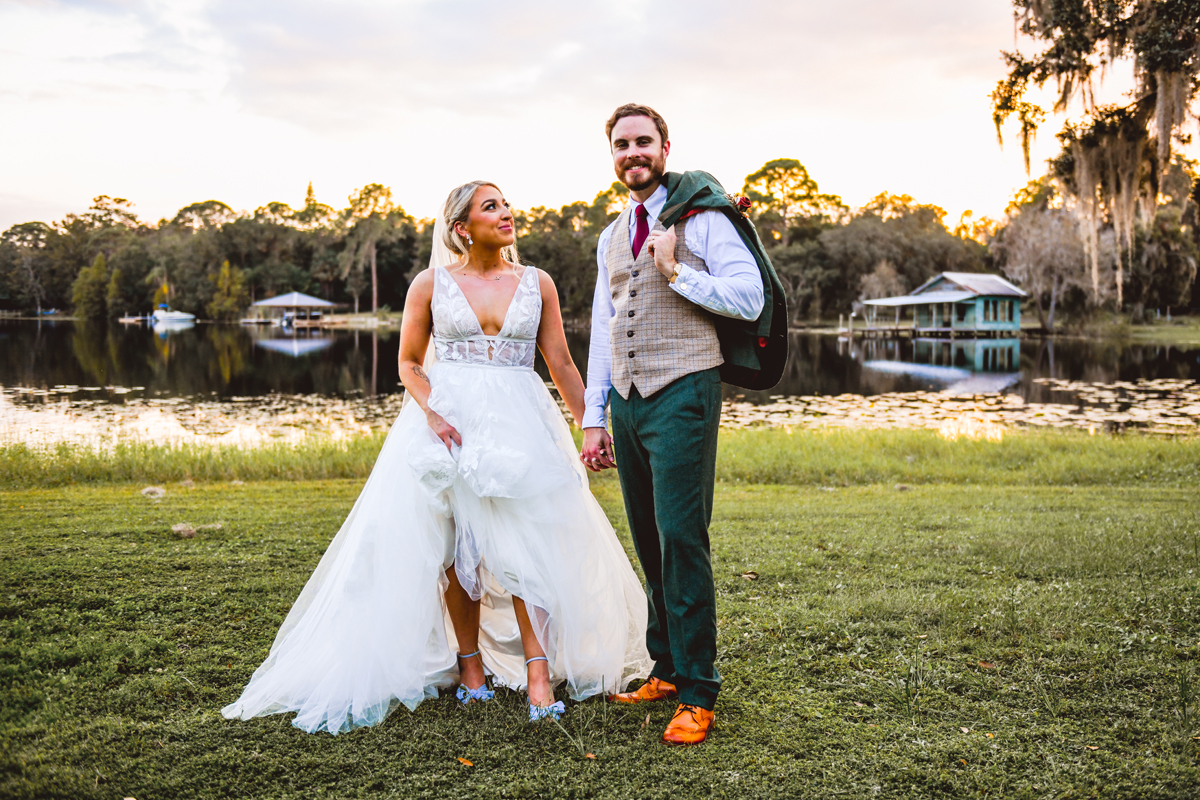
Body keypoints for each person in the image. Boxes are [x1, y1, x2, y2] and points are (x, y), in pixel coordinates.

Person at [222, 181, 651, 734]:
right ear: (460, 227)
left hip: (521, 420)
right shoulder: (431, 284)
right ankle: (469, 665)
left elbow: (563, 364)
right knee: (455, 547)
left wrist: (592, 425)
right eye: (490, 207)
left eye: (506, 204)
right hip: (451, 421)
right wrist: (433, 413)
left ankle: (538, 671)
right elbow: (407, 364)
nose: (506, 213)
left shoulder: (537, 282)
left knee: (531, 542)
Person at [580, 103, 776, 746]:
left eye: (643, 141)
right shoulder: (611, 234)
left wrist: (675, 271)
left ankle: (697, 690)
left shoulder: (705, 217)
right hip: (630, 403)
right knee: (647, 537)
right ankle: (664, 669)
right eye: (620, 144)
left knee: (681, 539)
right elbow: (604, 331)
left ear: (666, 146)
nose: (631, 153)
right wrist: (595, 417)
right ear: (612, 156)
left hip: (684, 391)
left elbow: (751, 298)